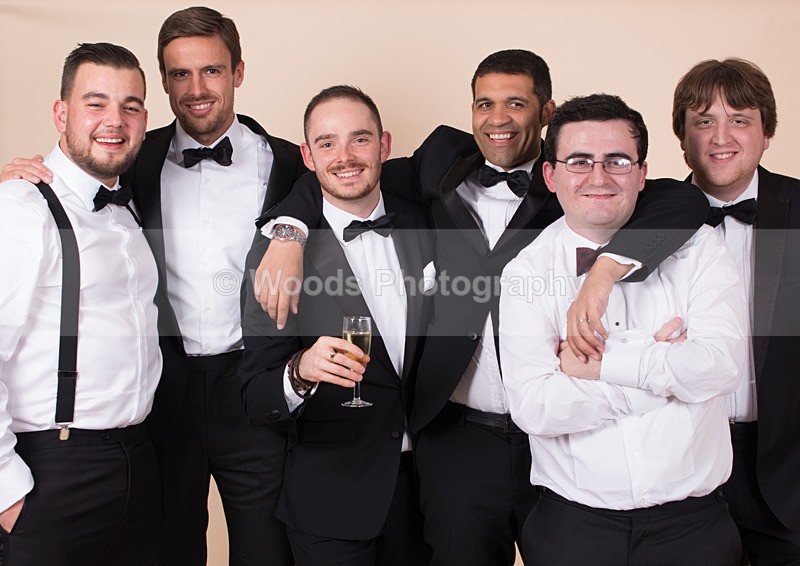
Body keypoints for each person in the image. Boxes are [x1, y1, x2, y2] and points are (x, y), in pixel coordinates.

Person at [252, 49, 710, 565]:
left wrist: (604, 270)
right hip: (458, 440)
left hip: (562, 434)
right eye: (485, 104)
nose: (498, 119)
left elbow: (683, 200)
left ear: (546, 112)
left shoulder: (577, 180)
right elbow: (342, 174)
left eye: (516, 103)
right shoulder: (438, 165)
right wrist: (289, 232)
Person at [0, 7, 307, 565]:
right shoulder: (129, 160)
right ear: (164, 81)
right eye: (180, 74)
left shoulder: (290, 164)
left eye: (211, 70)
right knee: (167, 548)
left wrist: (291, 229)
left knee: (267, 549)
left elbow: (348, 186)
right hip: (164, 394)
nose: (196, 89)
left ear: (238, 72)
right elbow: (69, 185)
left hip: (252, 386)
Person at [500, 93, 746, 566]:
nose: (599, 177)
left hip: (695, 529)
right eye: (579, 161)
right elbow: (536, 407)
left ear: (641, 173)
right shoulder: (525, 271)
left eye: (617, 161)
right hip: (574, 531)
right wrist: (660, 374)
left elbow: (720, 367)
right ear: (550, 175)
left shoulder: (700, 248)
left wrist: (598, 367)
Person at [239, 85, 433, 565]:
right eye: (327, 143)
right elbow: (255, 396)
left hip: (428, 497)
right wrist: (301, 370)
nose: (344, 157)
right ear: (307, 156)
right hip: (331, 501)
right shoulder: (275, 255)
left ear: (384, 145)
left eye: (359, 139)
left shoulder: (423, 218)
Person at [0, 43, 162, 565]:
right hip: (54, 468)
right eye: (96, 103)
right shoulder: (20, 208)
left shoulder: (126, 209)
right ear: (61, 113)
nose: (114, 121)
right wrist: (7, 493)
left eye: (130, 106)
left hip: (137, 458)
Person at [672, 57, 800, 565]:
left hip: (788, 469)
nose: (721, 137)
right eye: (703, 121)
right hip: (682, 472)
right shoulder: (644, 221)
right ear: (682, 138)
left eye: (740, 120)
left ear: (766, 134)